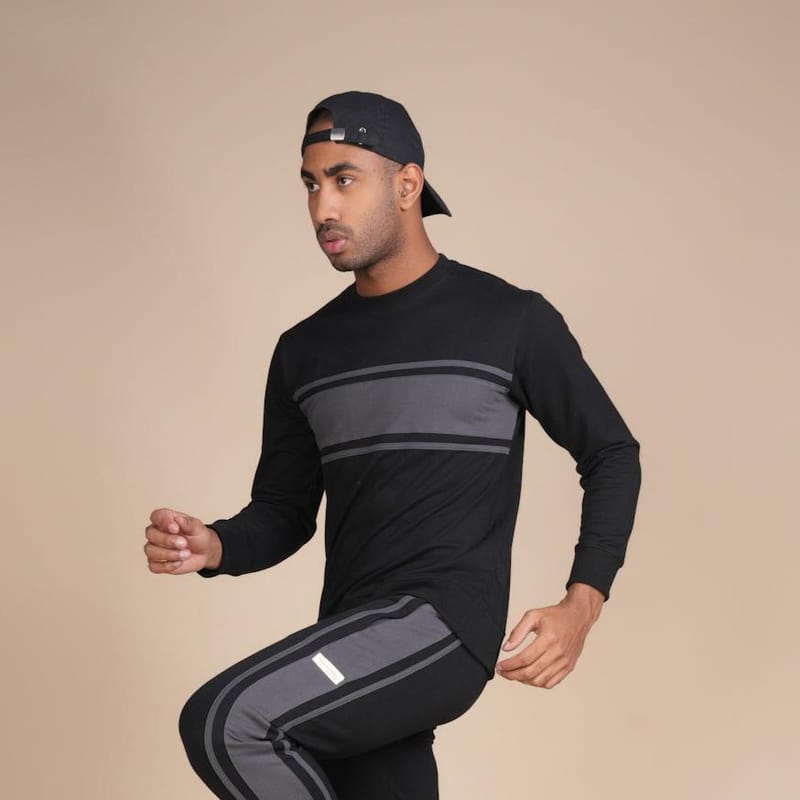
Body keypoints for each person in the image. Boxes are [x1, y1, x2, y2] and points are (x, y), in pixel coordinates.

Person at [144, 90, 642, 800]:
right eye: (311, 184)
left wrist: (581, 605)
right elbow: (284, 511)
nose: (323, 207)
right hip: (352, 633)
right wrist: (216, 545)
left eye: (344, 179)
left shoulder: (509, 320)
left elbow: (611, 453)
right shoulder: (304, 351)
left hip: (443, 624)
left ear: (407, 185)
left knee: (228, 722)